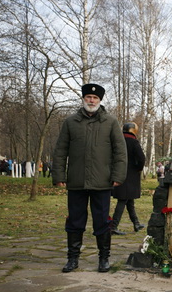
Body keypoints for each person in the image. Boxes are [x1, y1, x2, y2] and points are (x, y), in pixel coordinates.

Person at [52, 83, 127, 273]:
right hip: (76, 182)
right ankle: (72, 259)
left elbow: (120, 152)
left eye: (95, 98)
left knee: (102, 221)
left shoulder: (110, 122)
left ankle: (104, 259)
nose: (91, 100)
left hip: (102, 182)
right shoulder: (70, 122)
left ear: (100, 100)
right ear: (83, 99)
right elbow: (60, 151)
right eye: (88, 97)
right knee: (75, 221)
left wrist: (118, 175)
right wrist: (59, 175)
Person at [111, 122, 146, 235]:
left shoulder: (117, 140)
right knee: (123, 200)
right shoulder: (133, 141)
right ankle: (113, 227)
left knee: (128, 199)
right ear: (133, 130)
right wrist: (138, 168)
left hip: (118, 173)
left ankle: (136, 223)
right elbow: (141, 158)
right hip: (130, 174)